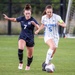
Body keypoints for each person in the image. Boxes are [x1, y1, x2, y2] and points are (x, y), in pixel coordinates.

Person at [3, 4, 39, 70]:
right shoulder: (22, 18)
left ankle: (28, 66)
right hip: (22, 36)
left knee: (30, 55)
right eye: (26, 13)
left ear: (31, 12)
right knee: (20, 49)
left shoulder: (33, 20)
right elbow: (14, 19)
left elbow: (38, 28)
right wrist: (7, 18)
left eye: (29, 13)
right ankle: (21, 63)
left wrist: (35, 25)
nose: (28, 14)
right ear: (24, 13)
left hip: (30, 38)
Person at [35, 5, 66, 71]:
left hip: (55, 37)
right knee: (52, 46)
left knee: (53, 52)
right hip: (47, 36)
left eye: (50, 12)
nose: (49, 14)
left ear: (52, 11)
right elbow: (43, 25)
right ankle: (46, 64)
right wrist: (38, 30)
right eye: (48, 12)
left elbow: (64, 25)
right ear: (46, 11)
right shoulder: (43, 18)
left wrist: (59, 24)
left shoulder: (57, 17)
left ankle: (46, 62)